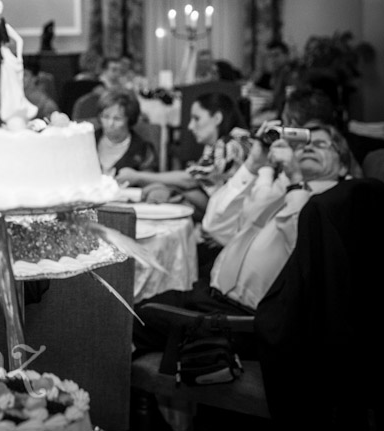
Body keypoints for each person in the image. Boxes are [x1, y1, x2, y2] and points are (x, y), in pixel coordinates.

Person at [133, 122, 352, 357]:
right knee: (126, 309)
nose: (308, 149)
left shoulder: (339, 204)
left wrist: (296, 180)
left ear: (343, 166)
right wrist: (255, 165)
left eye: (320, 145)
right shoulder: (281, 187)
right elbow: (216, 225)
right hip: (209, 296)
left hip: (246, 321)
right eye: (302, 143)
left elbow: (303, 249)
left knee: (130, 321)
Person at [116, 92, 248, 220]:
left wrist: (138, 177)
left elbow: (190, 179)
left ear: (217, 118)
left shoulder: (230, 145)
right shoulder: (226, 143)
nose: (190, 126)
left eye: (197, 118)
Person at [95, 89, 157, 174]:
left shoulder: (142, 149)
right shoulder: (89, 141)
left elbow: (149, 180)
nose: (110, 123)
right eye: (105, 117)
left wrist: (136, 177)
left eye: (117, 119)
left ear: (130, 119)